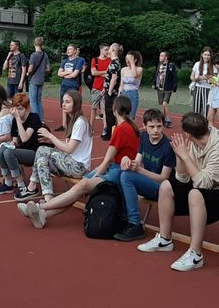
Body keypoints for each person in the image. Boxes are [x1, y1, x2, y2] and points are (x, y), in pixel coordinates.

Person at [137, 112, 219, 272]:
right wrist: (180, 156)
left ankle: (195, 254)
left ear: (188, 134)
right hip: (205, 190)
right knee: (167, 186)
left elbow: (203, 184)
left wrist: (186, 156)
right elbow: (182, 178)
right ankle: (164, 239)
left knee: (195, 194)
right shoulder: (193, 144)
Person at [20, 95, 139, 229]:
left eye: (67, 101)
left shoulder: (121, 129)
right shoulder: (130, 127)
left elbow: (107, 160)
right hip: (116, 169)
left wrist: (94, 176)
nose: (64, 104)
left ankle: (40, 206)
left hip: (117, 171)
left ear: (114, 109)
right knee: (78, 189)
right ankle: (43, 215)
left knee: (82, 185)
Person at [15, 90, 93, 202]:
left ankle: (34, 189)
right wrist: (49, 140)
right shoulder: (74, 121)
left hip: (78, 167)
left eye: (68, 102)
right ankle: (47, 198)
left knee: (41, 150)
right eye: (63, 101)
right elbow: (69, 147)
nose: (63, 104)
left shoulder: (80, 122)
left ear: (76, 104)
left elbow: (69, 149)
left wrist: (50, 136)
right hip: (72, 163)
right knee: (42, 160)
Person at [114, 108, 176, 241]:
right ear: (144, 126)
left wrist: (139, 170)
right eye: (152, 127)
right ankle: (123, 217)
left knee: (126, 177)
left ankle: (134, 223)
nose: (156, 130)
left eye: (159, 126)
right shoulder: (143, 137)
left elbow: (163, 178)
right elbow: (137, 161)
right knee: (120, 172)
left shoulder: (168, 147)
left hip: (163, 190)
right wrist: (126, 160)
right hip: (149, 182)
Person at [0, 93, 44, 195]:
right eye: (16, 109)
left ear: (27, 108)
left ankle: (21, 185)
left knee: (8, 153)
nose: (18, 112)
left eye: (21, 109)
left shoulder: (34, 117)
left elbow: (24, 138)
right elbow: (15, 140)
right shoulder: (15, 120)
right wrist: (12, 143)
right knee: (1, 150)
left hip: (35, 152)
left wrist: (17, 119)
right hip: (22, 150)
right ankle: (8, 182)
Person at [56, 44, 85, 132]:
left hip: (73, 86)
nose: (68, 51)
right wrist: (68, 73)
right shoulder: (64, 61)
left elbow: (75, 74)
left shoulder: (79, 60)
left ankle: (73, 125)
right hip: (64, 85)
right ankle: (64, 125)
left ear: (75, 51)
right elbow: (59, 73)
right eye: (67, 49)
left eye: (70, 49)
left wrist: (64, 74)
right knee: (64, 105)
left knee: (72, 106)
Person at [102, 43, 123, 140]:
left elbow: (114, 77)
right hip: (109, 90)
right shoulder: (114, 62)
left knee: (110, 113)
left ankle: (109, 133)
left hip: (112, 92)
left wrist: (109, 90)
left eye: (109, 48)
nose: (108, 51)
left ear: (113, 50)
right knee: (110, 113)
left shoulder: (114, 62)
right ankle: (110, 132)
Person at [26, 37, 49, 121]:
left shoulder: (33, 55)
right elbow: (48, 69)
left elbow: (30, 69)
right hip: (41, 79)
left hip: (33, 79)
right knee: (39, 100)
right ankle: (41, 119)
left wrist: (27, 73)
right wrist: (42, 70)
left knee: (33, 101)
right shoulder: (45, 55)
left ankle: (35, 119)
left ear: (34, 44)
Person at [153, 51, 178, 128]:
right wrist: (154, 83)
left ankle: (168, 119)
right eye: (160, 56)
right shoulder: (159, 65)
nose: (160, 57)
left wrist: (174, 86)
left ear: (166, 57)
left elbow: (174, 76)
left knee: (165, 103)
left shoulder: (171, 65)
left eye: (161, 56)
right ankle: (162, 120)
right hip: (159, 87)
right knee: (162, 105)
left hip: (168, 88)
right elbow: (157, 74)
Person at [190, 47, 215, 117]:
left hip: (208, 89)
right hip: (197, 88)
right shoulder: (197, 64)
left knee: (206, 110)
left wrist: (208, 79)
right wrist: (197, 79)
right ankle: (196, 123)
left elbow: (215, 80)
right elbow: (191, 77)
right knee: (196, 109)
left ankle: (205, 123)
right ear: (202, 54)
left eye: (208, 55)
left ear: (211, 56)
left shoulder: (213, 66)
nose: (206, 57)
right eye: (205, 54)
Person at [119, 51, 143, 122]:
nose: (127, 61)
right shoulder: (123, 70)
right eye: (126, 59)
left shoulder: (139, 69)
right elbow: (121, 84)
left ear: (135, 60)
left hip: (133, 93)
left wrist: (132, 63)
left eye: (129, 59)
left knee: (131, 117)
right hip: (124, 93)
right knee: (122, 116)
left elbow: (134, 75)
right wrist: (119, 94)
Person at [90, 44, 111, 126]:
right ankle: (90, 127)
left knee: (105, 109)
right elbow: (93, 72)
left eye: (108, 49)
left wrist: (100, 73)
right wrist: (105, 72)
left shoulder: (110, 60)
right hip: (96, 87)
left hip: (106, 88)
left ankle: (105, 128)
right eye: (106, 49)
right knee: (93, 108)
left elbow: (110, 73)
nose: (108, 51)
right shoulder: (95, 60)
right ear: (101, 50)